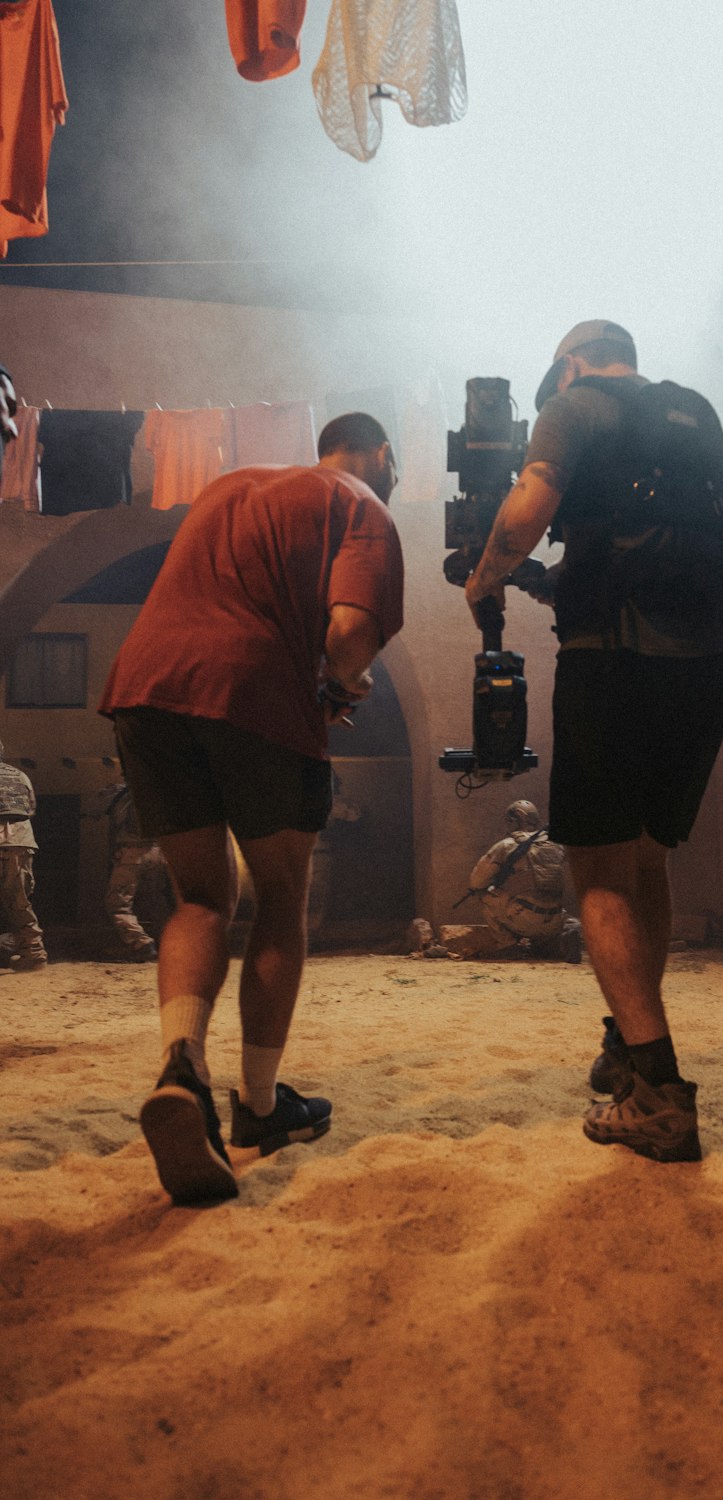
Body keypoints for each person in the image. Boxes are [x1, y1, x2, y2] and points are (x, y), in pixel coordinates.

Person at [100, 412, 404, 1204]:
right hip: (254, 691)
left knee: (200, 897)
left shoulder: (229, 487)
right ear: (380, 452)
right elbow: (349, 634)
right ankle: (262, 1109)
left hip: (146, 686)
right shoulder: (360, 502)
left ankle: (182, 1065)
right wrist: (339, 687)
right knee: (279, 897)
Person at [466, 320, 723, 1162]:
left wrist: (487, 576)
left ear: (573, 363)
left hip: (613, 663)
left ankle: (657, 1093)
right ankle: (629, 1041)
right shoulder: (695, 411)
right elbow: (653, 550)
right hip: (706, 663)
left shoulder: (575, 405)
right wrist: (557, 582)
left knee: (594, 867)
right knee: (648, 858)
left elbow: (529, 507)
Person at [465, 799, 582, 961]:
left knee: (483, 894)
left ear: (514, 820)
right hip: (554, 917)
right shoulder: (556, 844)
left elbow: (477, 881)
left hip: (524, 917)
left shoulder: (506, 845)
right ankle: (551, 940)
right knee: (547, 910)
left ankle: (508, 945)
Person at [101, 783, 164, 962]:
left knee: (117, 903)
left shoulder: (125, 796)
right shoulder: (158, 793)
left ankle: (141, 943)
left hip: (131, 853)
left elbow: (119, 821)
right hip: (157, 852)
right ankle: (170, 942)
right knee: (157, 899)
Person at [0, 740, 47, 972]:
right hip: (19, 843)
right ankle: (34, 953)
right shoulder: (20, 776)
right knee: (19, 902)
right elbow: (30, 810)